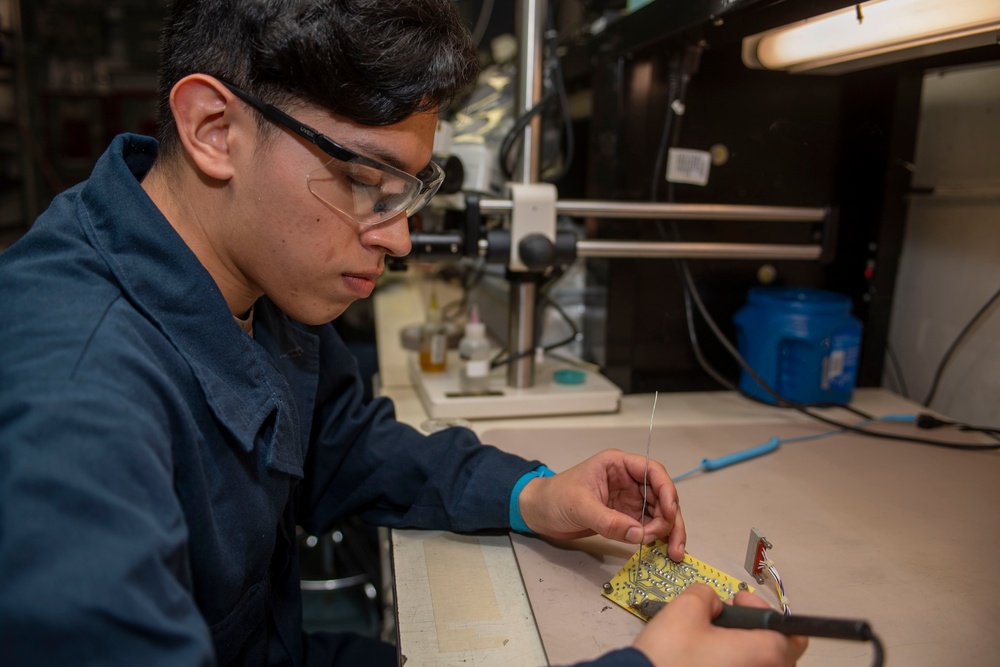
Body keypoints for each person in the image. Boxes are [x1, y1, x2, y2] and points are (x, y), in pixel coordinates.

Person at [0, 1, 807, 666]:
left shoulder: (251, 269)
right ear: (215, 129)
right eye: (364, 183)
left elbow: (345, 443)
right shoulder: (74, 408)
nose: (399, 238)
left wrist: (534, 495)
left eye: (408, 190)